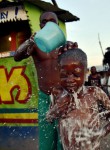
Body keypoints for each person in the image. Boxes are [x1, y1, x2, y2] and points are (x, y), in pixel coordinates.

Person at [14, 11, 78, 150]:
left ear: (57, 24)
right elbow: (17, 56)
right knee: (46, 140)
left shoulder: (64, 45)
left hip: (63, 97)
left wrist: (73, 50)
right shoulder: (35, 45)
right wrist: (30, 40)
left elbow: (76, 66)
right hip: (44, 97)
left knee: (64, 138)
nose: (48, 23)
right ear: (40, 25)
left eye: (52, 21)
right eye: (44, 21)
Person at [46, 48, 110, 150]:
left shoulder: (95, 92)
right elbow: (49, 118)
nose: (69, 80)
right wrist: (55, 111)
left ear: (86, 72)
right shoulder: (58, 94)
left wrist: (101, 132)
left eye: (76, 74)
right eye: (64, 75)